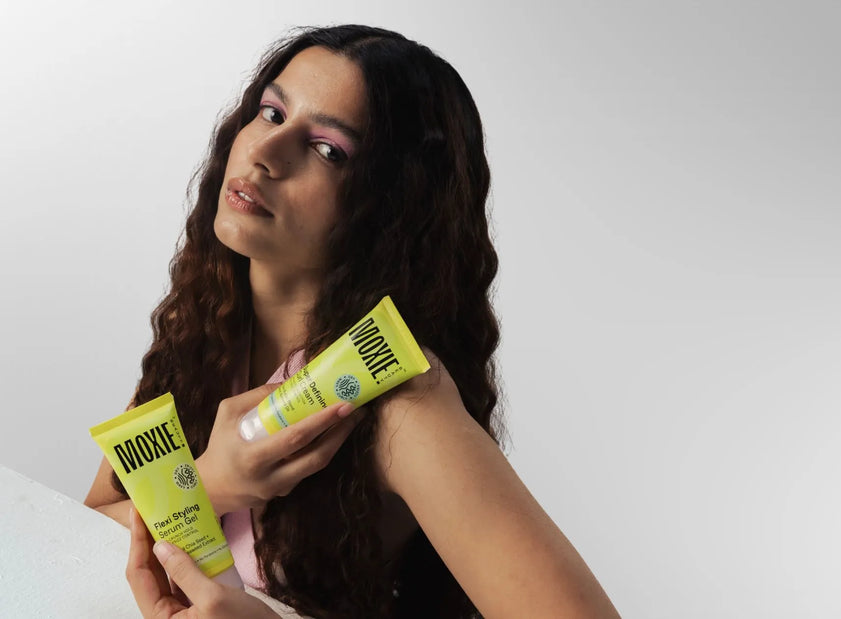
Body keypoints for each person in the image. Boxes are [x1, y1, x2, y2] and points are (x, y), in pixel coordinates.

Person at [83, 24, 620, 618]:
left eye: (327, 150)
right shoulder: (202, 332)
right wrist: (210, 484)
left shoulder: (398, 404)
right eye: (270, 112)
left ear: (389, 210)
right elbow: (76, 535)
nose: (265, 152)